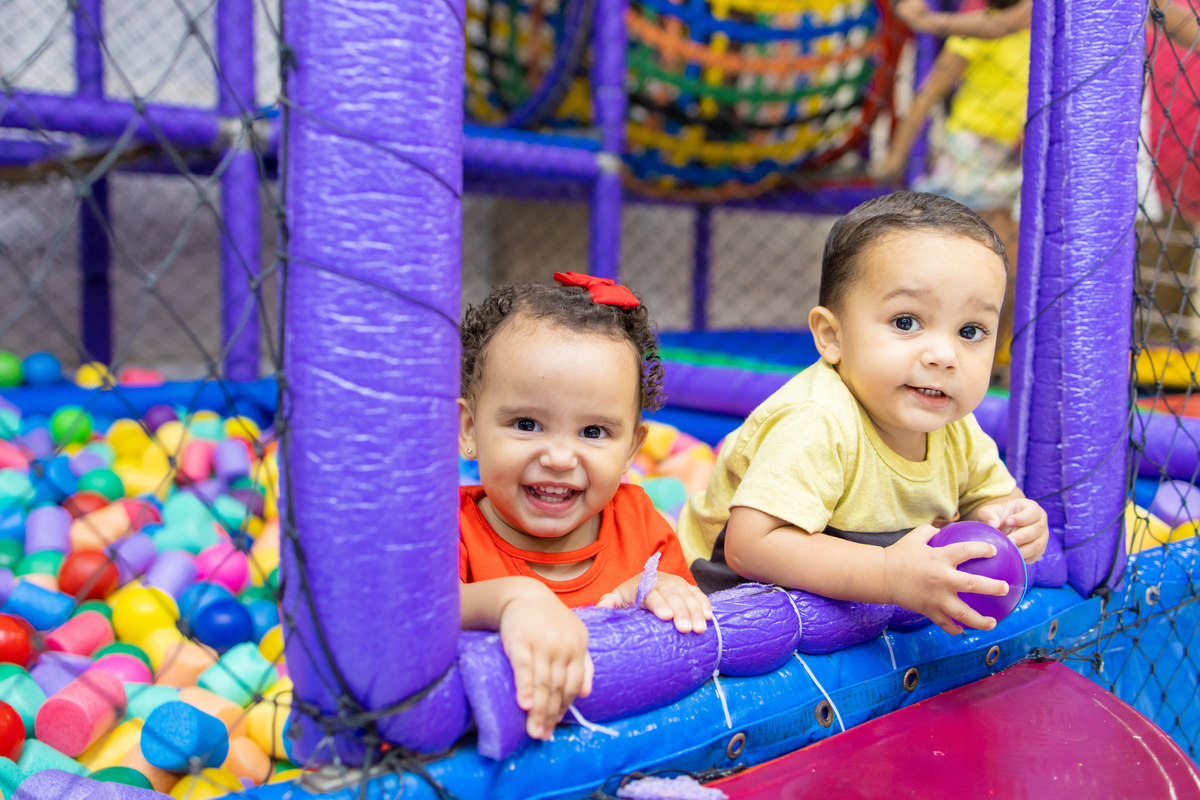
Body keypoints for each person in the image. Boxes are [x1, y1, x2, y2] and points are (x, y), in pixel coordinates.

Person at [676, 191, 1050, 636]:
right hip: (720, 608)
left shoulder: (957, 429)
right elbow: (751, 548)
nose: (944, 355)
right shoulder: (817, 421)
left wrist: (1015, 521)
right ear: (832, 336)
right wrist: (891, 574)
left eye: (971, 331)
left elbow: (991, 500)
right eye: (906, 322)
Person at [458, 272, 712, 741]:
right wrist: (513, 599)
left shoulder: (640, 526)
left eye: (594, 432)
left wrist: (661, 595)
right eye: (527, 423)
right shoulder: (449, 528)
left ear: (632, 450)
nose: (558, 458)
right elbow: (414, 612)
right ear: (470, 429)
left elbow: (691, 638)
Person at [873, 0, 1030, 375]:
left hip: (1019, 158)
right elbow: (926, 96)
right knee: (983, 262)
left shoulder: (1045, 30)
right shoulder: (975, 32)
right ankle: (947, 352)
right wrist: (895, 156)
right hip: (973, 155)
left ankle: (990, 358)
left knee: (1015, 267)